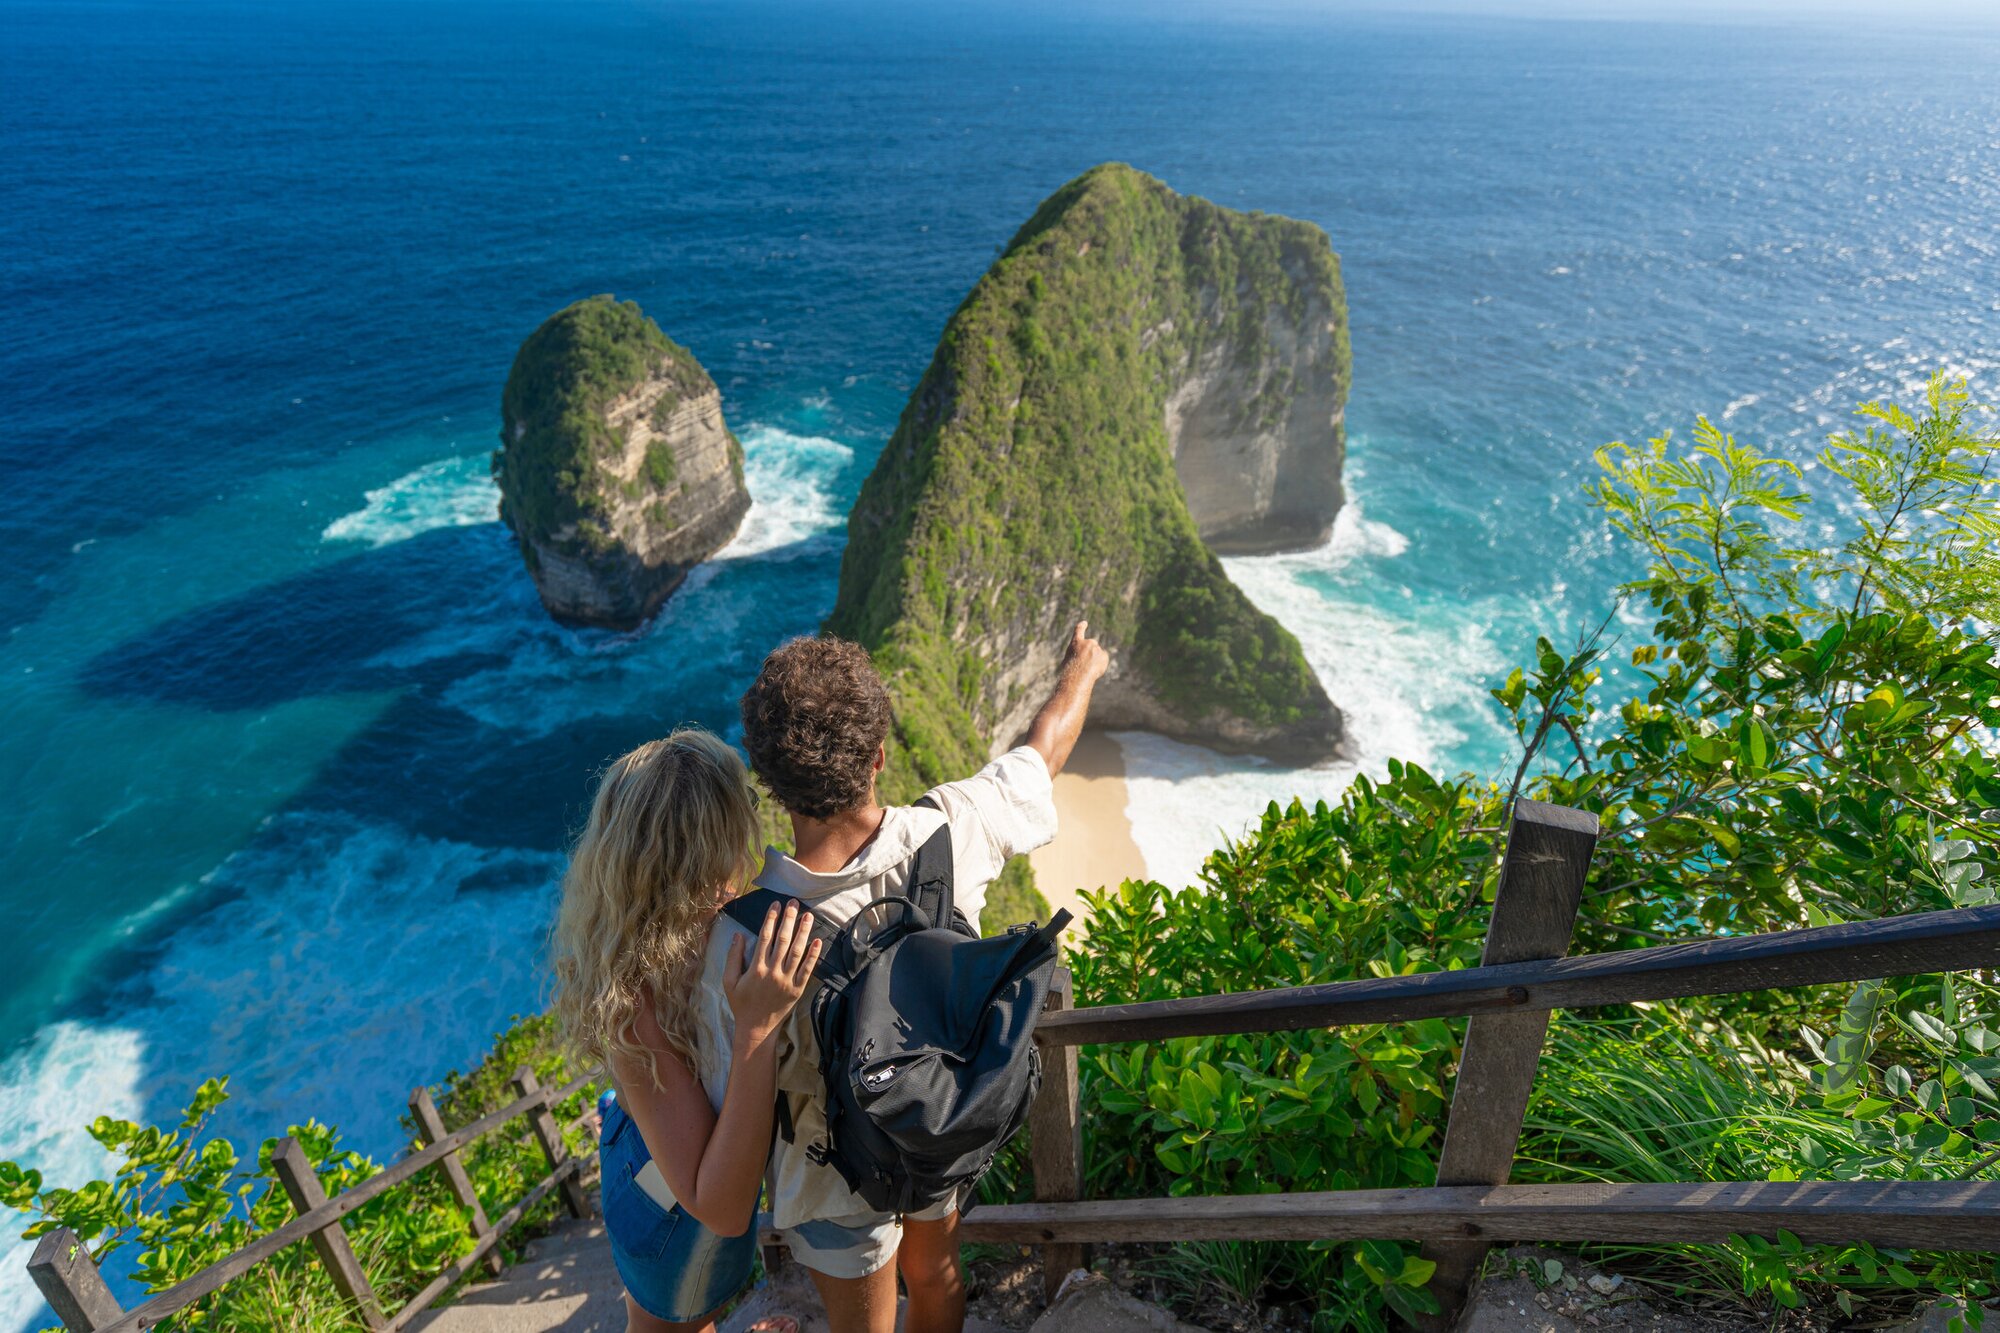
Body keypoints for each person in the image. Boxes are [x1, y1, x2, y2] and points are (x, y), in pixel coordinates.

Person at [730, 620, 1109, 1333]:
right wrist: (1082, 670)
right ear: (879, 755)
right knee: (936, 1276)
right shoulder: (952, 829)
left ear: (769, 782)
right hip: (932, 1108)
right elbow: (1042, 752)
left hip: (829, 1172)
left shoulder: (748, 932)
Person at [551, 729, 823, 1333]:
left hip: (642, 1156)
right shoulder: (632, 997)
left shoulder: (653, 937)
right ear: (706, 847)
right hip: (672, 1222)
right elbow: (721, 1209)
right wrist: (756, 1028)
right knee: (667, 1325)